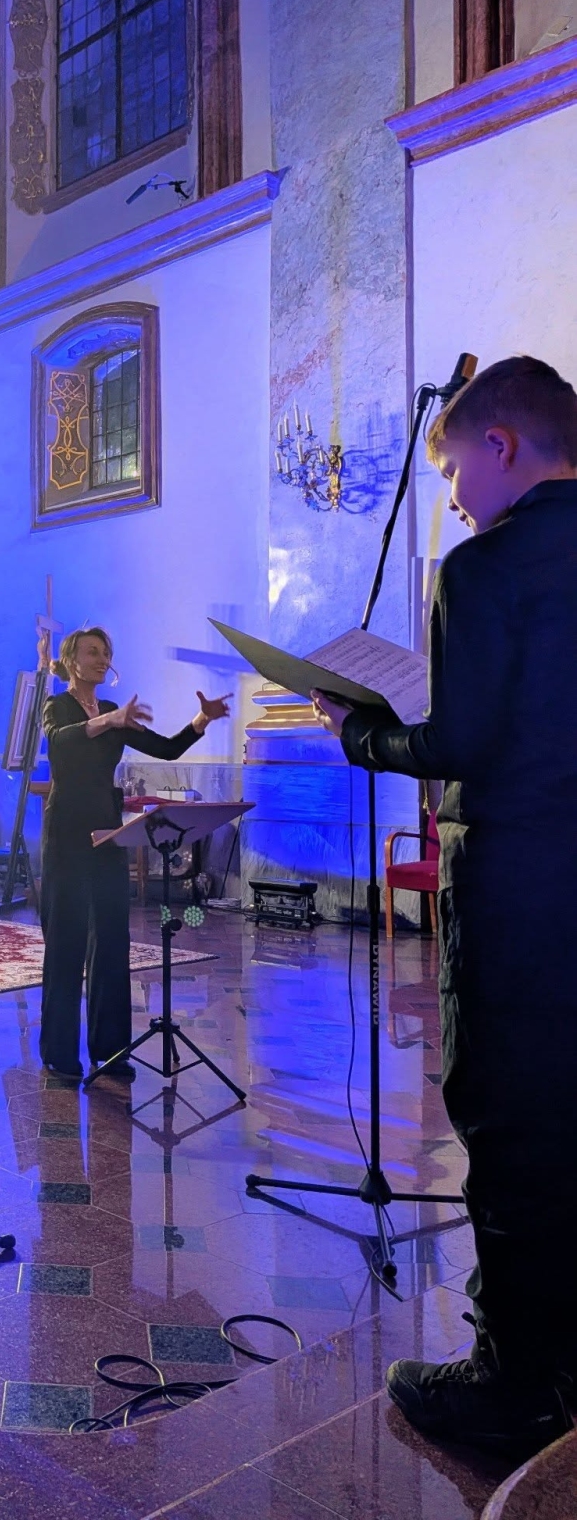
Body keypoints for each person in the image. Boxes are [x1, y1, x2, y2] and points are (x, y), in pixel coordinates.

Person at [313, 356, 577, 1459]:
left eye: (455, 468)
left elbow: (460, 739)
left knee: (507, 1116)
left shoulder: (484, 568)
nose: (455, 497)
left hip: (516, 880)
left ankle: (511, 1379)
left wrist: (359, 731)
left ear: (501, 444)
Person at [40, 627, 231, 1081]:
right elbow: (59, 743)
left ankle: (110, 1049)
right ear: (71, 660)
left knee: (111, 940)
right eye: (92, 652)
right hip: (66, 833)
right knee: (66, 941)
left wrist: (201, 720)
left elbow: (166, 748)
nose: (101, 658)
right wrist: (109, 722)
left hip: (108, 832)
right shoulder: (57, 705)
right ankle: (59, 1053)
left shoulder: (112, 710)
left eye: (106, 652)